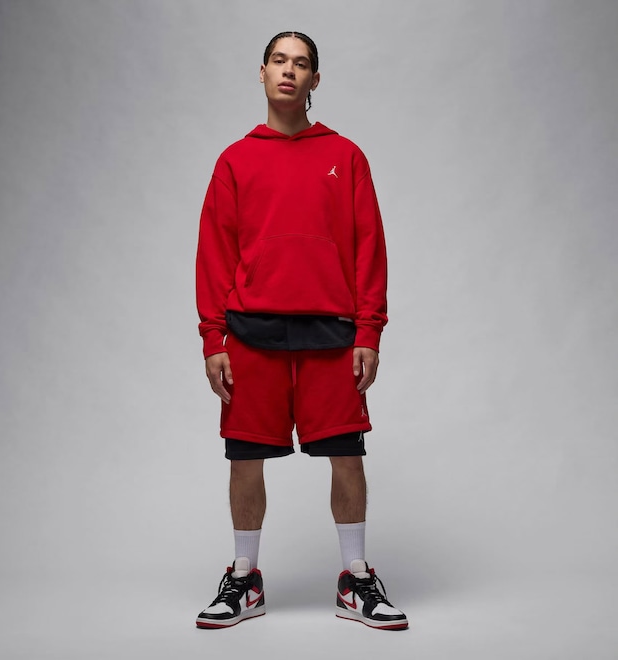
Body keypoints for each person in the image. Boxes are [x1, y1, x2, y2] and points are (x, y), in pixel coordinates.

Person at [195, 31, 408, 631]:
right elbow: (214, 253)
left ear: (315, 79)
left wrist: (369, 331)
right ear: (262, 72)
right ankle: (245, 578)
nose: (289, 71)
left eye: (302, 63)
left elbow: (370, 248)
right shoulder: (235, 160)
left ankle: (355, 578)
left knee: (347, 454)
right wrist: (213, 339)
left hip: (332, 333)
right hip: (250, 332)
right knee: (245, 459)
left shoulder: (346, 156)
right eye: (279, 60)